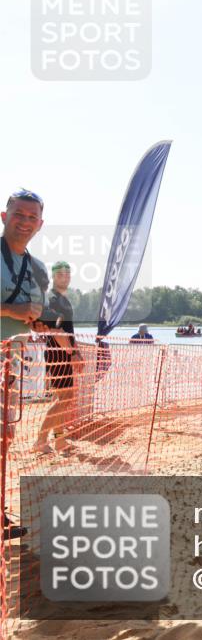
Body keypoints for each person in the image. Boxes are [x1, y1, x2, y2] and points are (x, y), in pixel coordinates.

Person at [0, 188, 50, 540]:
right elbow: (19, 310)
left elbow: (36, 312)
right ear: (4, 217)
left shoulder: (38, 268)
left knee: (6, 435)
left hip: (12, 363)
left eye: (32, 217)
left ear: (40, 224)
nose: (25, 222)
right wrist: (11, 310)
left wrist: (37, 320)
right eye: (19, 214)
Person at [32, 261, 80, 455]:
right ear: (53, 276)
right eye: (60, 274)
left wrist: (76, 351)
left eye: (68, 274)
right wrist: (72, 353)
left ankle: (59, 440)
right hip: (57, 353)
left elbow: (69, 331)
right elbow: (56, 330)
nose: (65, 277)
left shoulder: (64, 300)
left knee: (64, 398)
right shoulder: (52, 299)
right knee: (64, 398)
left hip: (64, 353)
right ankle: (40, 440)